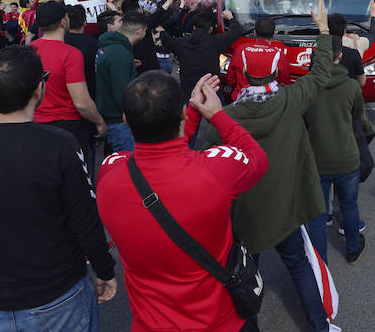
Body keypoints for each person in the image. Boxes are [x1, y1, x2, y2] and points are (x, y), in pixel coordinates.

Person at [0, 45, 117, 330]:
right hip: (58, 293)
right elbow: (84, 219)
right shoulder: (59, 145)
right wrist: (104, 268)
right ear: (38, 90)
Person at [196, 0, 336, 332]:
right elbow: (319, 73)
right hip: (285, 208)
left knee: (243, 278)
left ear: (241, 73)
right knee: (299, 265)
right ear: (276, 72)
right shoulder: (290, 101)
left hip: (245, 216)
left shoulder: (222, 118)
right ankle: (320, 326)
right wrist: (324, 31)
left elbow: (205, 168)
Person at [97, 72, 268, 332]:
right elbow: (256, 157)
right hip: (220, 321)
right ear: (183, 115)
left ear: (125, 120)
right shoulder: (214, 172)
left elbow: (163, 156)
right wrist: (216, 115)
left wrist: (191, 114)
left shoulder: (109, 172)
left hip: (150, 323)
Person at [305, 36, 369, 264]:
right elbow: (356, 116)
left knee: (317, 215)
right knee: (350, 206)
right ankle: (352, 249)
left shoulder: (307, 86)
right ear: (340, 56)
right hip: (347, 158)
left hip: (317, 159)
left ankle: (318, 263)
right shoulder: (351, 86)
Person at [31, 1, 107, 172]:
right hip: (68, 127)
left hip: (36, 123)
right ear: (63, 22)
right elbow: (82, 103)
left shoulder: (29, 49)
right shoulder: (70, 54)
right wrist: (99, 122)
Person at [96, 12, 148, 152]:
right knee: (128, 164)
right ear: (140, 31)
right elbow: (122, 93)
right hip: (118, 121)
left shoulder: (115, 49)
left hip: (113, 118)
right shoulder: (119, 53)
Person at [165, 10, 244, 99]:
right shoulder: (216, 41)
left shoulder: (180, 43)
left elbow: (166, 38)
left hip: (190, 95)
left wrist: (160, 30)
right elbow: (237, 30)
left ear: (194, 27)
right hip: (212, 94)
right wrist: (230, 17)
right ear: (210, 29)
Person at [224, 16, 291, 101]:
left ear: (255, 33)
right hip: (269, 103)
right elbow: (285, 83)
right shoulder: (280, 55)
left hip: (242, 101)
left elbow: (230, 79)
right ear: (274, 34)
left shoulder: (241, 49)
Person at [64, 4, 100, 99]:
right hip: (88, 93)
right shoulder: (94, 44)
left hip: (64, 94)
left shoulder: (59, 42)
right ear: (84, 23)